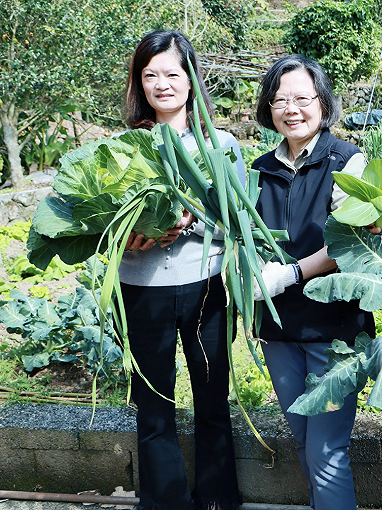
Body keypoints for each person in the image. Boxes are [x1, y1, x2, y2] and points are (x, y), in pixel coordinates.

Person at [120, 29, 244, 510]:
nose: (162, 84)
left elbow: (237, 219)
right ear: (139, 84)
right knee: (153, 405)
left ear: (191, 79)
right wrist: (129, 233)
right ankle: (164, 503)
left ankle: (218, 500)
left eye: (172, 73)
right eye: (150, 75)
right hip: (142, 288)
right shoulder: (126, 147)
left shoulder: (221, 144)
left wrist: (191, 219)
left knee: (212, 400)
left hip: (205, 286)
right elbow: (103, 224)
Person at [250, 54, 374, 510]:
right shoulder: (259, 169)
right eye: (280, 99)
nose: (291, 109)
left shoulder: (347, 161)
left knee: (326, 452)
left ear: (323, 103)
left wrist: (291, 273)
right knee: (303, 438)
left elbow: (351, 240)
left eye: (302, 98)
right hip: (279, 329)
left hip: (334, 330)